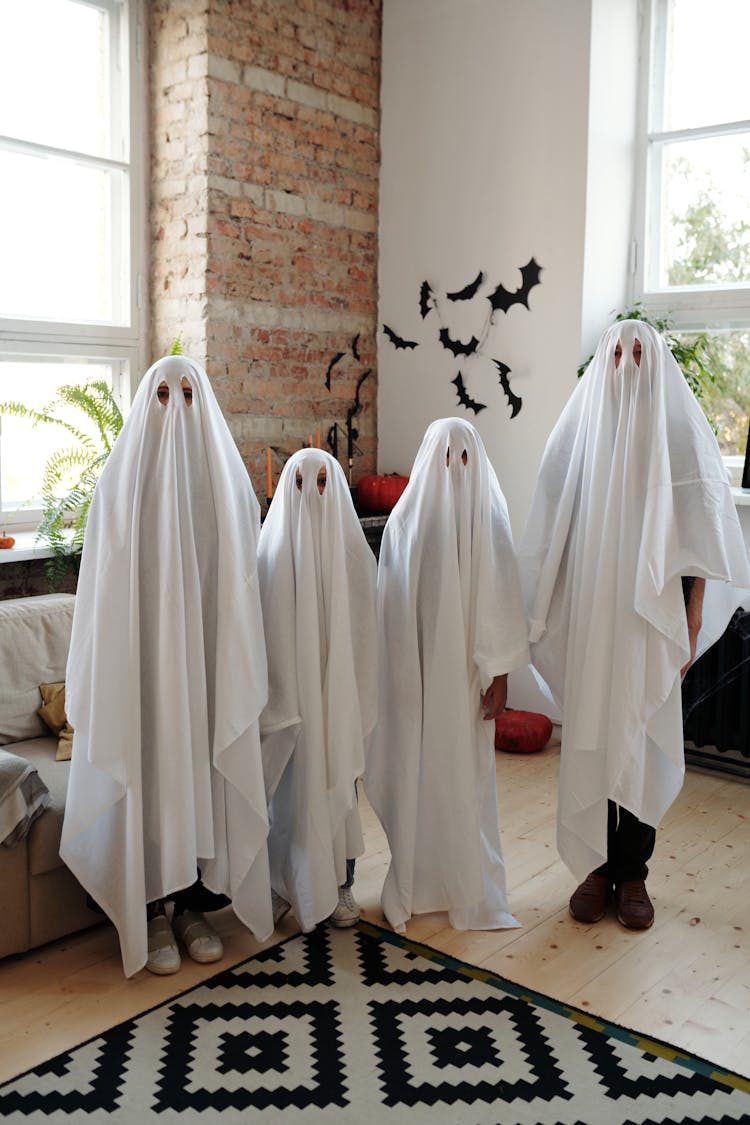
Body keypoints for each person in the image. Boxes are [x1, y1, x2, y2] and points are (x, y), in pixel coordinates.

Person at [519, 320, 750, 929]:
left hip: (654, 617)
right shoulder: (580, 433)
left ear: (655, 359)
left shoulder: (679, 431)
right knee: (594, 728)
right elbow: (550, 530)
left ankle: (635, 874)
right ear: (603, 359)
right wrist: (544, 611)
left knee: (643, 733)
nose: (627, 361)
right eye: (616, 351)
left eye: (639, 350)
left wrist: (694, 613)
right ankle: (595, 868)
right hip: (592, 612)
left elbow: (703, 531)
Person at [60, 355, 273, 976]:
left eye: (187, 392)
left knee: (200, 768)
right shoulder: (120, 487)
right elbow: (102, 590)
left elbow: (239, 583)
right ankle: (151, 909)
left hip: (205, 667)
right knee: (154, 771)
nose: (175, 405)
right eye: (162, 393)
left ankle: (191, 907)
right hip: (146, 670)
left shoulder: (226, 486)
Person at [364, 418, 530, 934]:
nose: (456, 469)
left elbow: (501, 602)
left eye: (465, 458)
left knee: (464, 778)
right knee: (415, 774)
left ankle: (464, 878)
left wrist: (498, 674)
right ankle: (414, 878)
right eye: (446, 457)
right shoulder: (406, 522)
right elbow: (390, 607)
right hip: (414, 679)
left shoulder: (490, 521)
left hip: (464, 683)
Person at [257, 448, 377, 932]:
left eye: (324, 483)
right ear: (289, 490)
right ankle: (282, 882)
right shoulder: (269, 554)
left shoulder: (353, 553)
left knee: (337, 782)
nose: (314, 494)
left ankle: (341, 881)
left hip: (337, 696)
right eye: (303, 485)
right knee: (287, 788)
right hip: (289, 701)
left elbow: (369, 631)